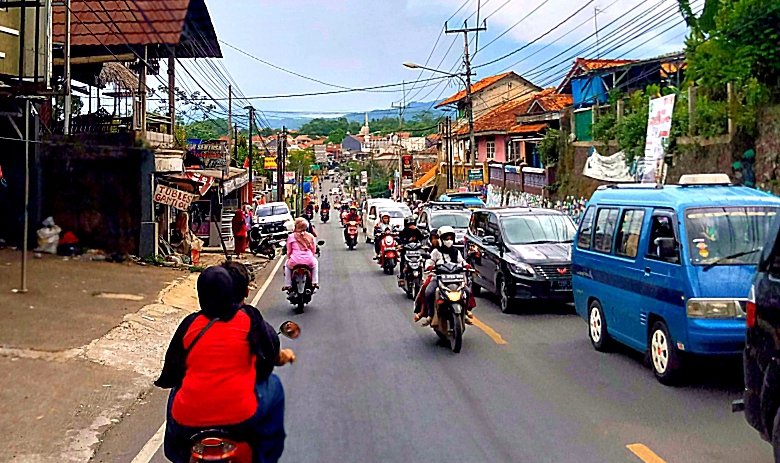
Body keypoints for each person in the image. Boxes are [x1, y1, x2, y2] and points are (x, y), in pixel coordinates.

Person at [155, 266, 295, 463]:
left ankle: (179, 457)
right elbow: (265, 366)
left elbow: (170, 374)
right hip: (241, 416)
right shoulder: (249, 318)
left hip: (187, 419)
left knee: (177, 389)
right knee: (275, 387)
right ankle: (266, 457)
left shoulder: (190, 323)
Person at [415, 226, 473, 326]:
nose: (449, 241)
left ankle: (466, 312)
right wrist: (429, 267)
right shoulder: (436, 252)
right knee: (429, 292)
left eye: (451, 239)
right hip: (438, 279)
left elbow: (462, 261)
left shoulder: (456, 251)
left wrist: (467, 265)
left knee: (467, 291)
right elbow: (430, 261)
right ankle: (430, 316)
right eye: (446, 239)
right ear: (441, 240)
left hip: (455, 279)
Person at [283, 218, 319, 291]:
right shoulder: (310, 236)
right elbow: (313, 250)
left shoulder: (291, 236)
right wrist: (310, 256)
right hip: (309, 260)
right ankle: (314, 282)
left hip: (294, 261)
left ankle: (288, 284)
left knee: (287, 265)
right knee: (315, 263)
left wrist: (290, 257)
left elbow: (289, 251)